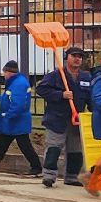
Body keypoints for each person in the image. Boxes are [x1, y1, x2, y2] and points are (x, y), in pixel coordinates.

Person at [35, 47, 91, 188]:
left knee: (75, 150)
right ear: (67, 58)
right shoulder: (56, 75)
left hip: (77, 119)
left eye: (80, 56)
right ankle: (49, 176)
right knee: (54, 147)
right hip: (57, 118)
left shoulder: (86, 77)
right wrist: (61, 95)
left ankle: (72, 176)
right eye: (74, 56)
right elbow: (41, 89)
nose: (77, 59)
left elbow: (90, 98)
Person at [0, 60, 42, 176]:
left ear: (10, 72)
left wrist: (9, 115)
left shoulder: (19, 84)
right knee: (2, 142)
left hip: (16, 121)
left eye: (5, 72)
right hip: (12, 121)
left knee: (24, 145)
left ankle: (36, 167)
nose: (4, 75)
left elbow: (18, 104)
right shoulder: (15, 82)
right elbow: (9, 97)